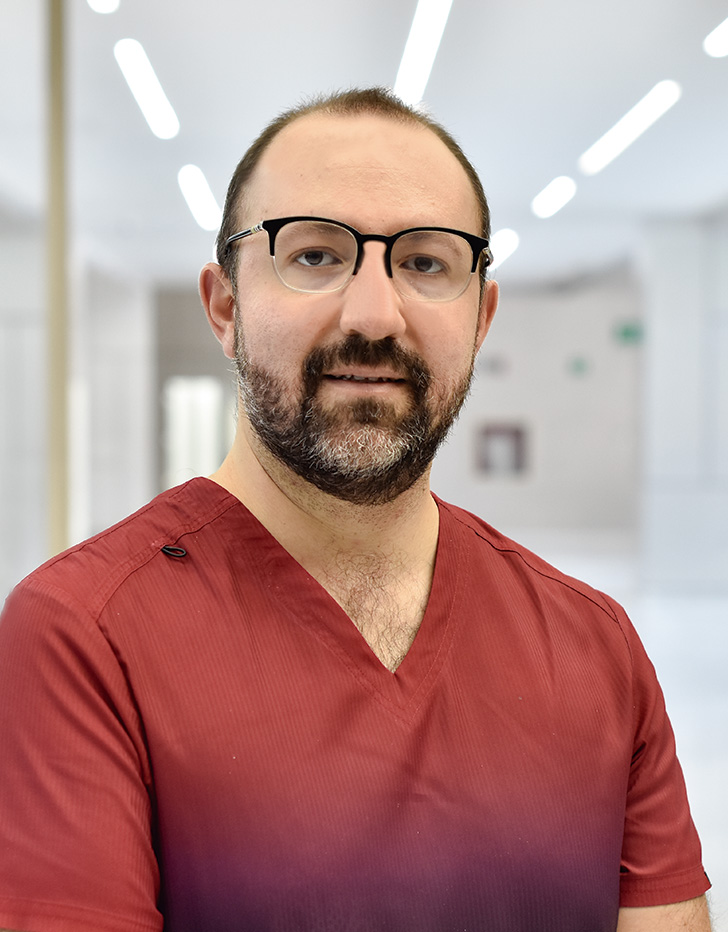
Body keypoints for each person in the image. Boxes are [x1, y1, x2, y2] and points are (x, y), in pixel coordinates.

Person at [0, 87, 712, 932]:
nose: (374, 316)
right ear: (225, 307)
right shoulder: (84, 635)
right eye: (313, 256)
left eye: (425, 263)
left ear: (481, 317)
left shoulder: (597, 646)